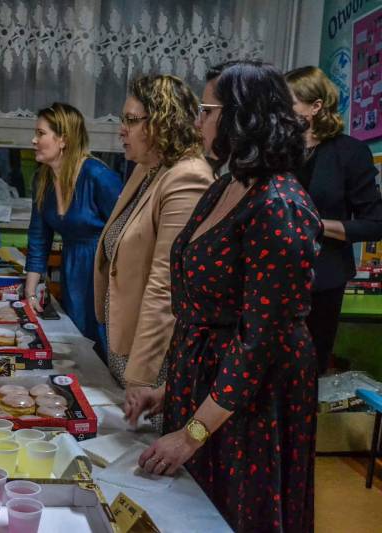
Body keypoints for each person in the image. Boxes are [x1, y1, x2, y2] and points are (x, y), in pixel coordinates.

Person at [126, 61, 320, 532]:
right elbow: (210, 308)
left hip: (253, 402)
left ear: (242, 116)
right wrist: (171, 390)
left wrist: (192, 433)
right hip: (216, 390)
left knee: (232, 515)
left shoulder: (279, 205)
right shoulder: (227, 186)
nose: (198, 123)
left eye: (207, 111)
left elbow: (257, 345)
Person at [93, 75, 213, 423]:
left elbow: (165, 285)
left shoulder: (187, 177)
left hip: (155, 354)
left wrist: (141, 376)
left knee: (145, 442)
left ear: (163, 122)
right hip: (128, 339)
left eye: (131, 120)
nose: (122, 130)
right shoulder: (149, 167)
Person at [286, 65, 382, 375]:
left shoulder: (350, 152)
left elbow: (374, 223)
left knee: (307, 371)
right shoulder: (277, 152)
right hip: (272, 277)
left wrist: (317, 225)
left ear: (315, 106)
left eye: (288, 102)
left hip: (322, 282)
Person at [25, 102, 123, 360]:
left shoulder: (98, 176)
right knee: (78, 346)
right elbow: (39, 238)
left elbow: (129, 233)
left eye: (41, 133)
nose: (34, 140)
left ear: (63, 139)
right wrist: (30, 293)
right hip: (72, 269)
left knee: (105, 345)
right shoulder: (42, 179)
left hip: (104, 270)